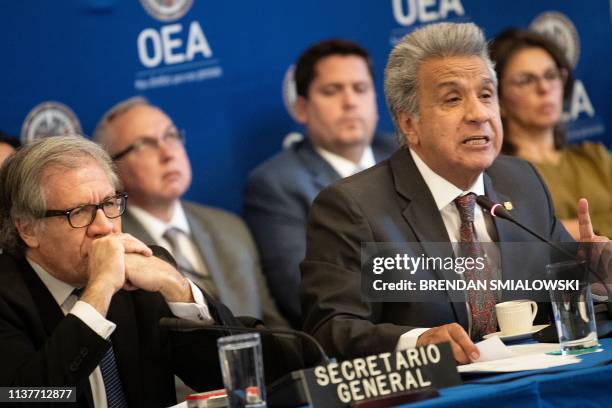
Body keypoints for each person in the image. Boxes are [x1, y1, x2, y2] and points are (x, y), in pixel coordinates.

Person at [300, 22, 609, 364]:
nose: (478, 114)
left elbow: (563, 302)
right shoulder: (353, 207)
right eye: (452, 99)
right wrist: (418, 343)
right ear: (409, 124)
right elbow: (331, 329)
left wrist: (597, 282)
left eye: (486, 95)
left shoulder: (523, 182)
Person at [0, 135, 239, 407]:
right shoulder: (6, 299)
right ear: (28, 229)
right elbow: (27, 398)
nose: (105, 227)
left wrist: (179, 288)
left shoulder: (143, 271)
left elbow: (223, 379)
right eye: (79, 212)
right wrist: (99, 291)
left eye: (109, 204)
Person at [93, 97, 287, 329]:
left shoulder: (230, 227)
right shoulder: (113, 245)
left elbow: (273, 324)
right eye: (144, 145)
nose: (168, 153)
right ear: (113, 170)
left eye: (171, 136)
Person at [243, 39, 396, 327]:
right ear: (301, 108)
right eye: (332, 91)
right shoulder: (276, 184)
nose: (350, 102)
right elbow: (302, 291)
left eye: (360, 89)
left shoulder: (407, 153)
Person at [490, 28, 611, 239]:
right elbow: (528, 241)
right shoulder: (497, 175)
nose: (544, 88)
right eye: (525, 80)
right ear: (498, 99)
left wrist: (567, 230)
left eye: (551, 75)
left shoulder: (595, 157)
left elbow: (549, 236)